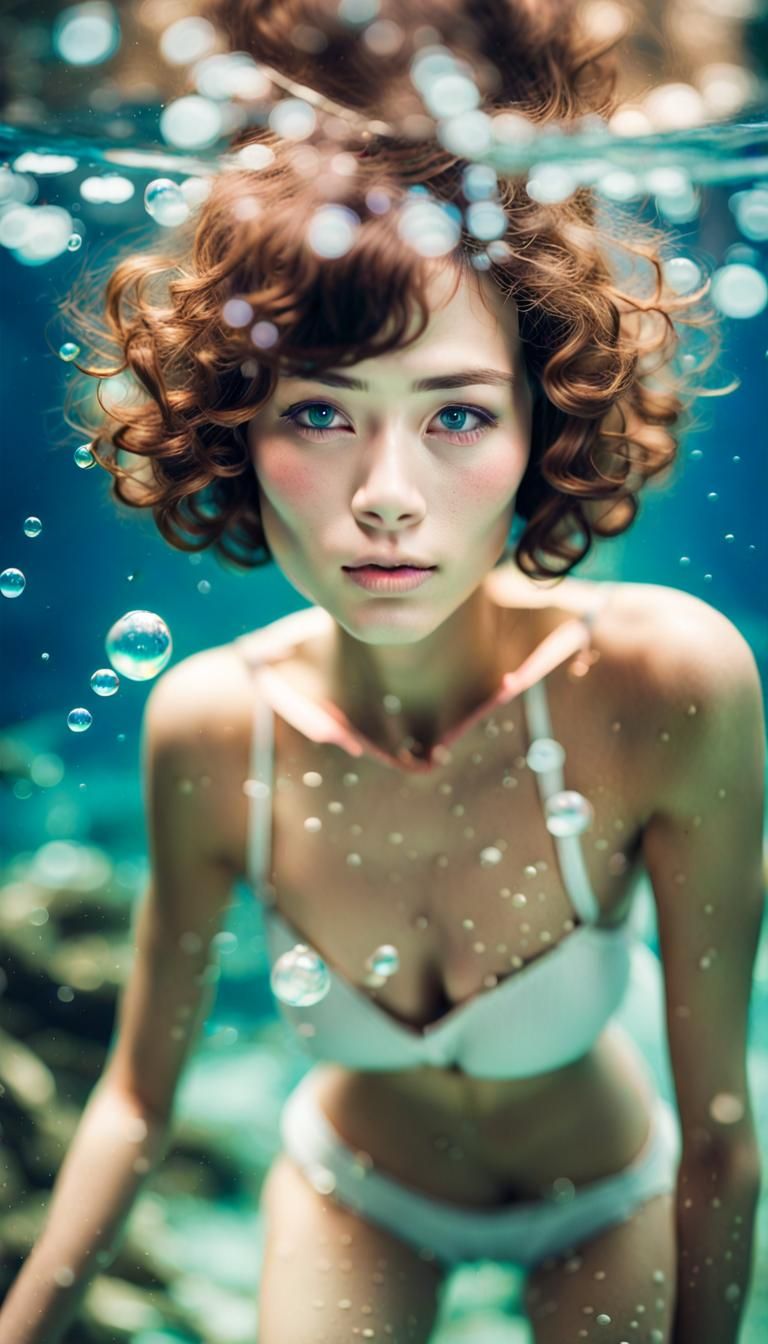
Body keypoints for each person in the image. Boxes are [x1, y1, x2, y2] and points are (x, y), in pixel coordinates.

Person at [2, 3, 764, 1342]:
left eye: (458, 413)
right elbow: (135, 1101)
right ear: (230, 434)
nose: (391, 498)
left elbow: (720, 1137)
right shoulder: (210, 727)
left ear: (548, 425)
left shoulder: (667, 686)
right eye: (319, 414)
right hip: (354, 1192)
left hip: (608, 1196)